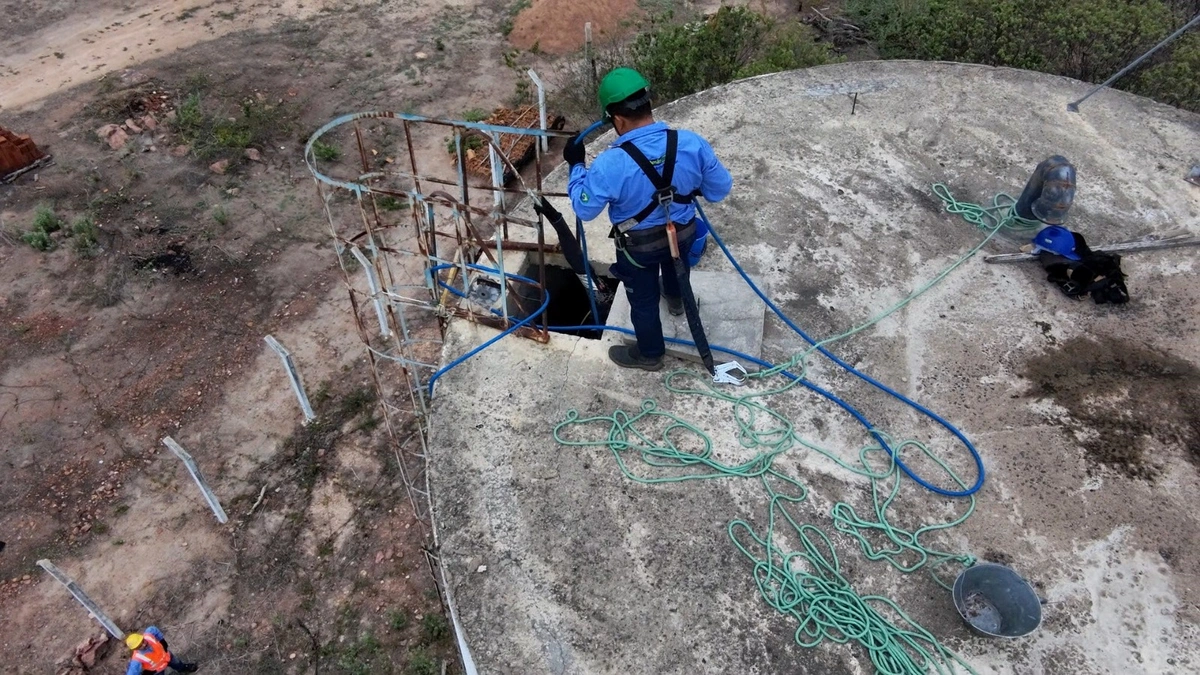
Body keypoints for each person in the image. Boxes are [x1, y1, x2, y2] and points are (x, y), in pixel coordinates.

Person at [554, 67, 733, 371]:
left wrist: (576, 166)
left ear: (617, 119)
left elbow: (585, 209)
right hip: (683, 232)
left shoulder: (610, 164)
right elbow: (719, 189)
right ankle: (676, 300)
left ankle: (650, 354)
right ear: (648, 104)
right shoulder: (691, 143)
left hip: (639, 249)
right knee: (676, 266)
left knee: (644, 300)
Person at [124, 626, 198, 674]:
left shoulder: (148, 635)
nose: (144, 645)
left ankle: (183, 668)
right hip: (158, 671)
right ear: (135, 649)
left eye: (143, 641)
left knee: (177, 663)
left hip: (168, 656)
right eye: (140, 646)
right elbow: (132, 672)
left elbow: (153, 629)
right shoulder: (137, 658)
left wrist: (162, 640)